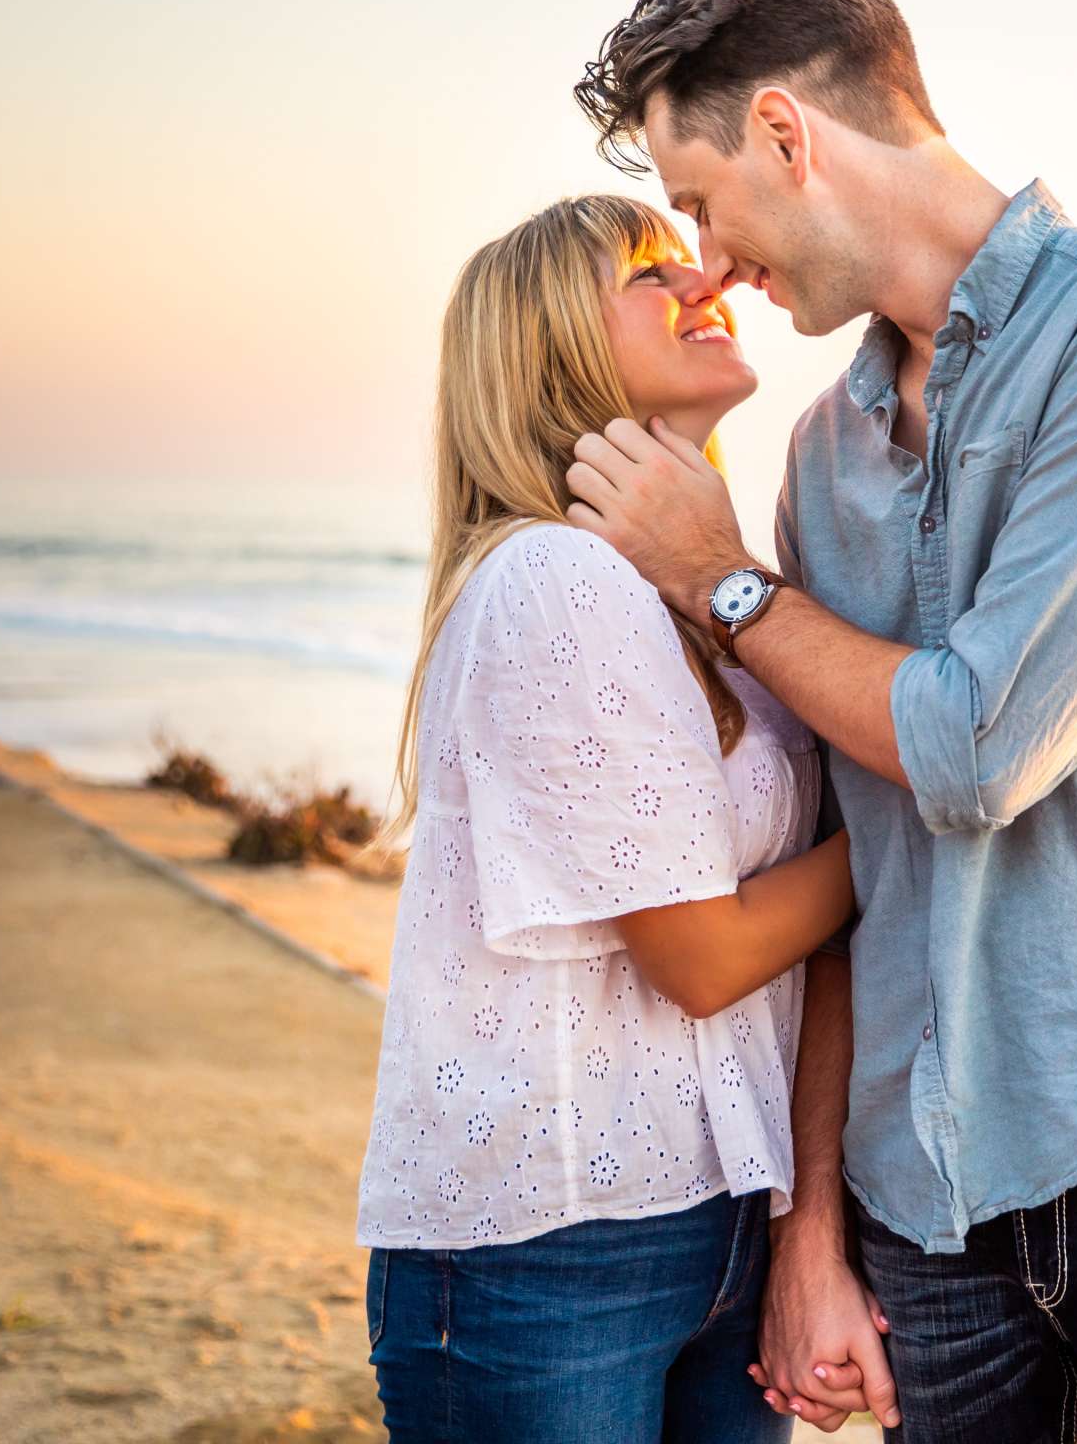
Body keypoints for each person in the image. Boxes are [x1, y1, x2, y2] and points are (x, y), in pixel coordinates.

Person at [566, 0, 1077, 1442]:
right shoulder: (822, 458)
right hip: (921, 1199)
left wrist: (720, 582)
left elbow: (975, 745)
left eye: (703, 203)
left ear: (788, 134)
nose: (710, 263)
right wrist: (814, 1229)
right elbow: (851, 870)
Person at [352, 193, 860, 1442]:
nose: (702, 281)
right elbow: (702, 957)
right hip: (552, 1248)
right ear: (551, 350)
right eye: (645, 270)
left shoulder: (715, 594)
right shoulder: (554, 578)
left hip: (722, 1215)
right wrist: (932, 823)